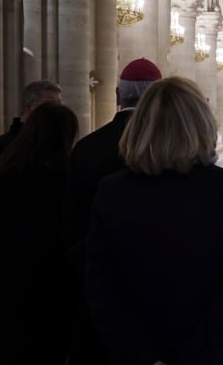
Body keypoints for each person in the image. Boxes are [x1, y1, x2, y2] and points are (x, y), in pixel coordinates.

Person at [85, 77, 223, 365]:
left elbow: (101, 287)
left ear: (139, 127)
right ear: (202, 125)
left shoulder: (112, 191)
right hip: (214, 353)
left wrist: (139, 356)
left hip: (131, 353)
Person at [63, 57, 162, 364]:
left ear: (119, 96)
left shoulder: (87, 147)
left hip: (102, 284)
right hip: (159, 285)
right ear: (158, 97)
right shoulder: (173, 146)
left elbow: (72, 219)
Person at [0, 80, 62, 365]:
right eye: (49, 107)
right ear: (28, 109)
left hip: (45, 261)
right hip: (5, 260)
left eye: (59, 108)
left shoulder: (58, 151)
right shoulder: (0, 149)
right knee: (1, 332)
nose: (55, 114)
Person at [0, 102, 79, 364]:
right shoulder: (66, 175)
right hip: (51, 278)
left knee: (2, 339)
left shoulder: (2, 167)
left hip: (5, 271)